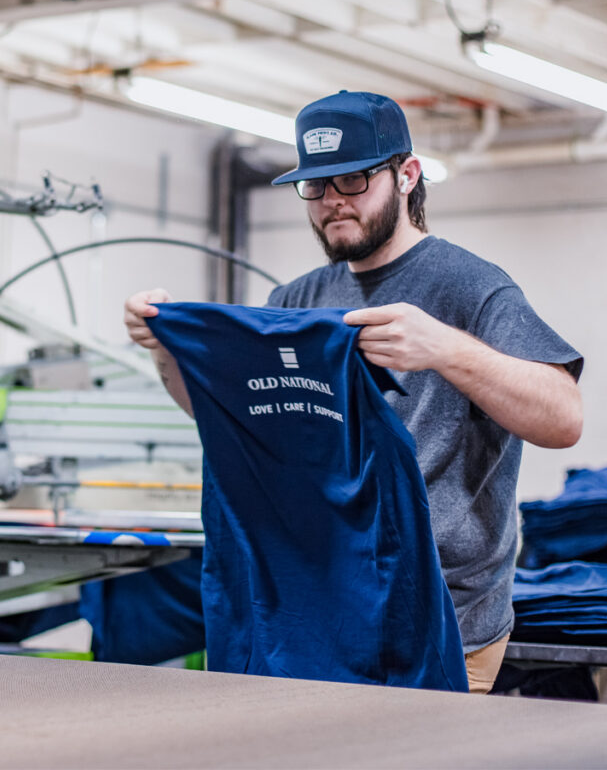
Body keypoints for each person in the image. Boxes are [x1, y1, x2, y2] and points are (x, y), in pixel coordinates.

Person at [124, 90, 583, 694]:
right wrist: (165, 350)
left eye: (354, 180)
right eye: (315, 186)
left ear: (407, 175)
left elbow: (563, 417)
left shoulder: (472, 288)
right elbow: (244, 419)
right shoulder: (295, 300)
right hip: (315, 605)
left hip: (441, 614)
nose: (333, 202)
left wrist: (444, 348)